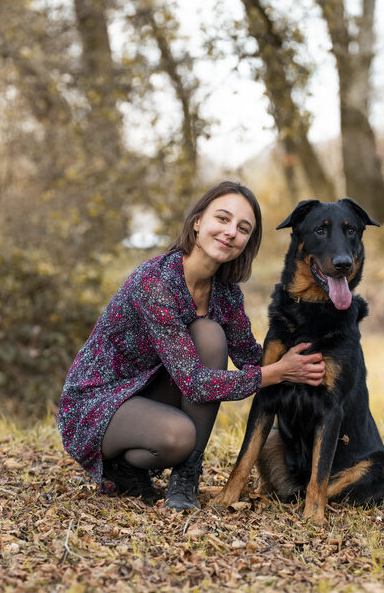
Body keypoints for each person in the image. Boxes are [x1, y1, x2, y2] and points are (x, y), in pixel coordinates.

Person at [57, 181, 325, 510]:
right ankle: (126, 464)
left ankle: (176, 476)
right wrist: (278, 373)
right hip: (96, 402)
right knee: (179, 435)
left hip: (146, 389)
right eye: (222, 219)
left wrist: (302, 355)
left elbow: (250, 357)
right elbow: (196, 383)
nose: (231, 232)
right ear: (197, 222)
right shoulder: (155, 283)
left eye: (243, 228)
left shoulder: (225, 292)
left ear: (247, 243)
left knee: (209, 335)